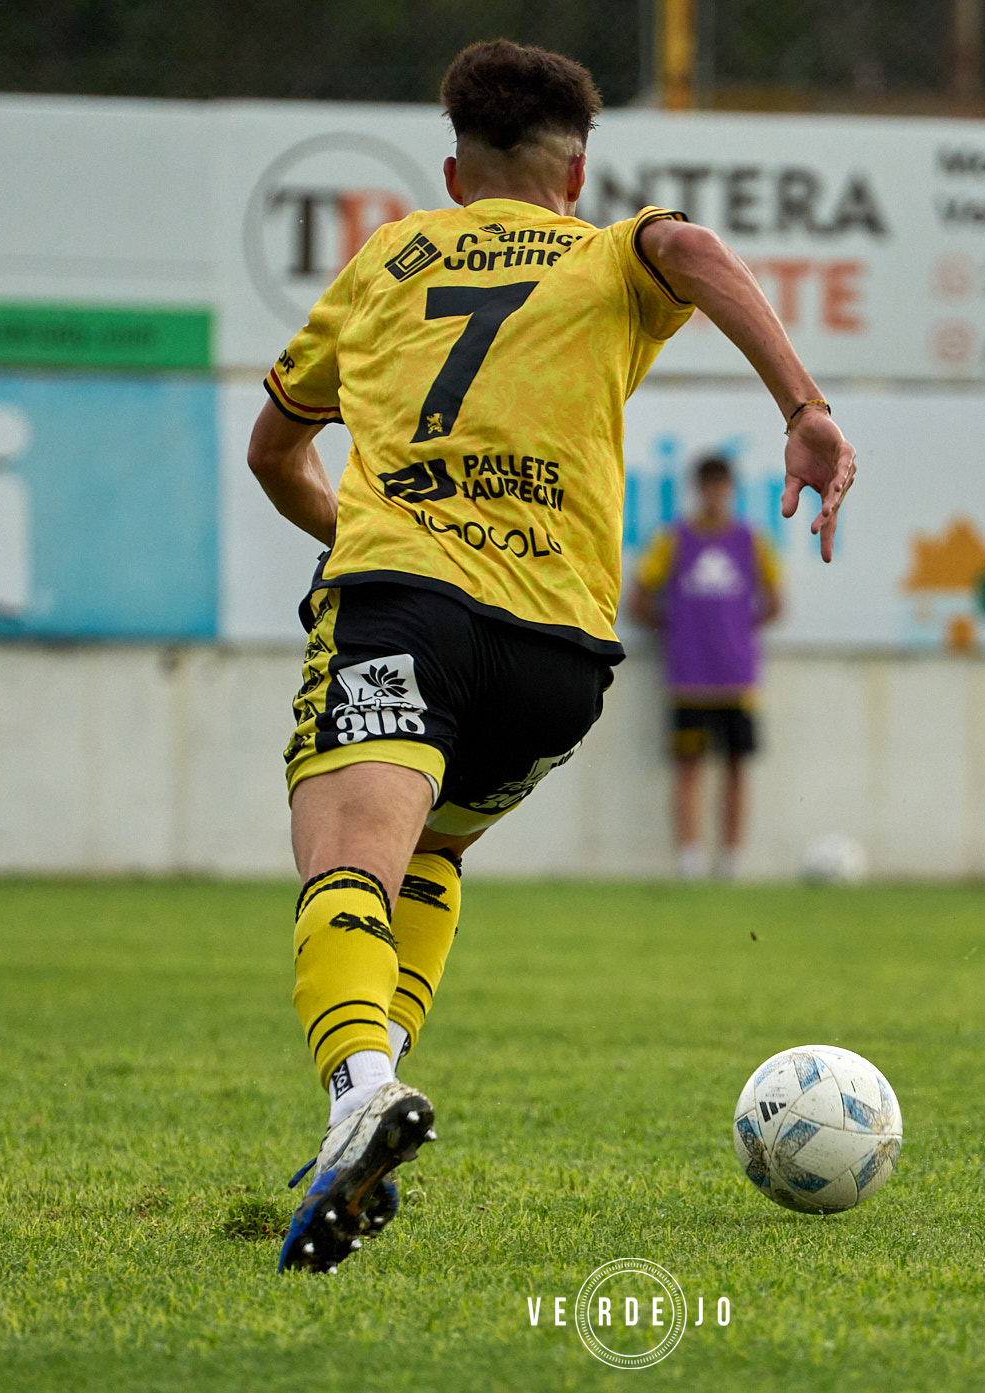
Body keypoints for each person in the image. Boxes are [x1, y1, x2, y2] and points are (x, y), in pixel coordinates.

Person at [244, 39, 856, 1274]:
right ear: (575, 172)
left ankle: (358, 1093)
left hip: (403, 606)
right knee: (432, 849)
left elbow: (275, 449)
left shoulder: (388, 256)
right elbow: (690, 249)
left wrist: (360, 533)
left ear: (452, 172)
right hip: (558, 659)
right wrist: (802, 408)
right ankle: (365, 1099)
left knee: (344, 858)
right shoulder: (605, 252)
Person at [630, 453, 783, 880]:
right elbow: (638, 599)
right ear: (698, 490)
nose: (715, 495)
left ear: (731, 490)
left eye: (722, 487)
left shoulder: (751, 541)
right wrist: (677, 630)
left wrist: (737, 632)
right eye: (709, 487)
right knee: (688, 768)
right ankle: (690, 860)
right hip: (689, 680)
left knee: (736, 768)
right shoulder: (673, 540)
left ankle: (731, 860)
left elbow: (776, 602)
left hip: (737, 680)